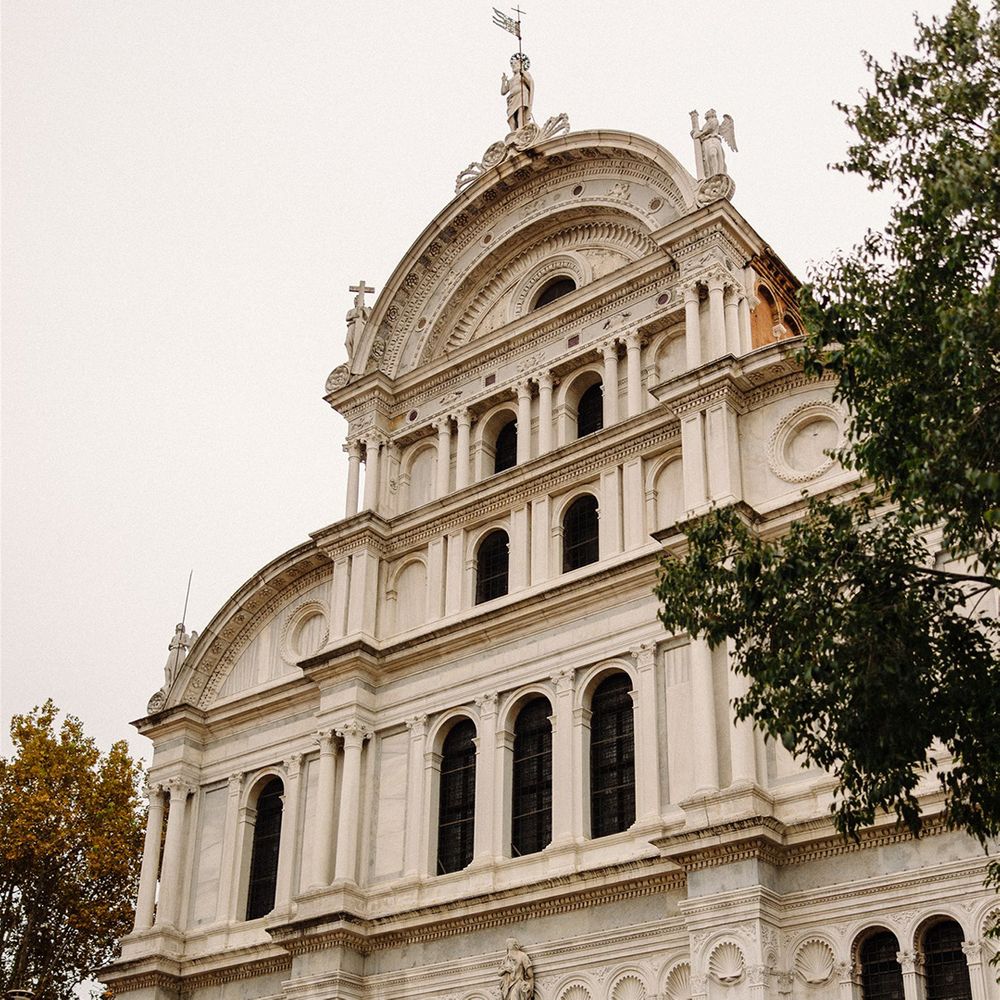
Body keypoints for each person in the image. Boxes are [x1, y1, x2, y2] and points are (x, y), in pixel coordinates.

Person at [501, 54, 534, 131]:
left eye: (516, 64)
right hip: (512, 98)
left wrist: (523, 74)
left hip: (522, 95)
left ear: (521, 65)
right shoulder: (511, 79)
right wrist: (503, 81)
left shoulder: (523, 74)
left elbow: (530, 82)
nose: (514, 66)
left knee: (520, 113)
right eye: (513, 64)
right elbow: (503, 92)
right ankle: (513, 132)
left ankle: (520, 129)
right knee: (511, 117)